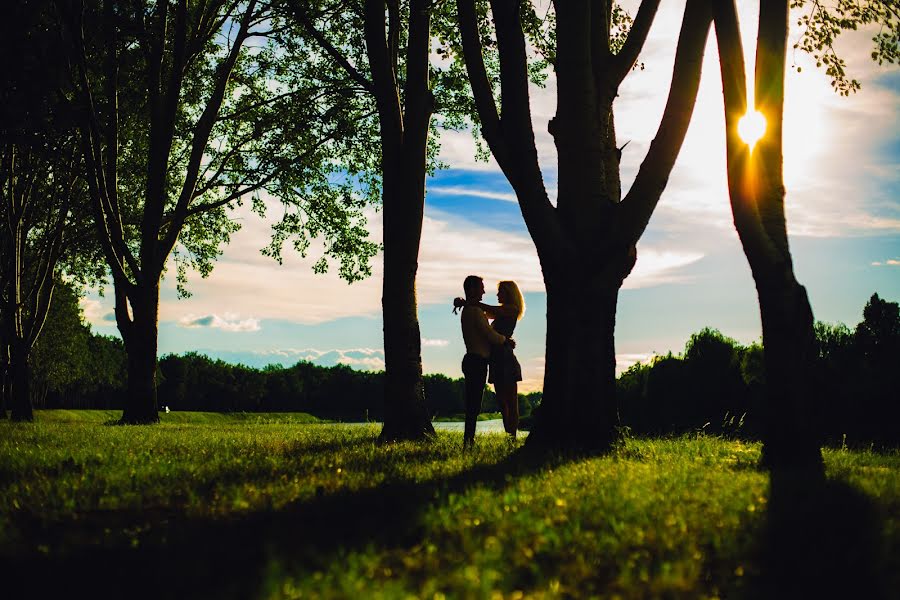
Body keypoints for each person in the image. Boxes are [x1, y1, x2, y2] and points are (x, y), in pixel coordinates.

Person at [455, 280, 524, 438]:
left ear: (509, 293)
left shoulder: (511, 309)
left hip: (505, 358)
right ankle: (509, 435)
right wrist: (468, 304)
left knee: (511, 402)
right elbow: (481, 314)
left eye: (500, 292)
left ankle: (512, 436)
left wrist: (467, 302)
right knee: (502, 402)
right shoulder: (500, 312)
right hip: (495, 359)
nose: (497, 294)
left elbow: (485, 309)